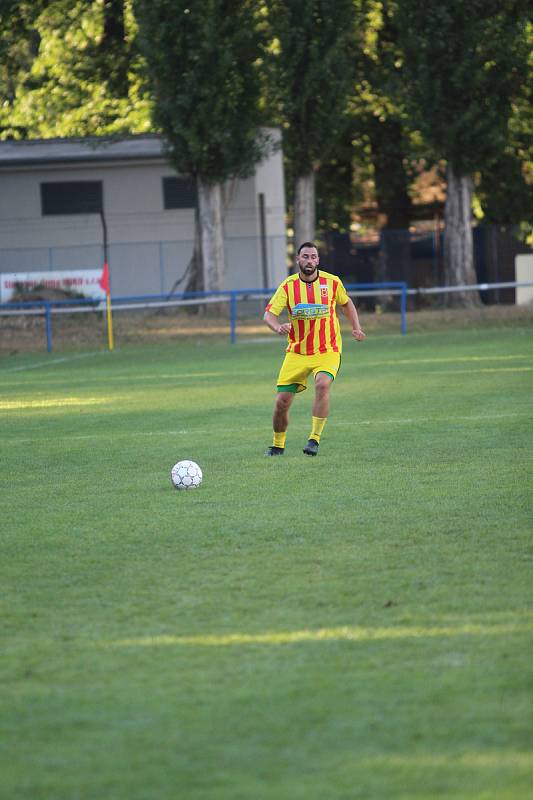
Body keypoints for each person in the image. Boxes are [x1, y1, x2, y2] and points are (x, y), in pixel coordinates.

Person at [263, 241, 365, 456]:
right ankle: (277, 445)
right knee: (282, 402)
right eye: (305, 257)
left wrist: (356, 328)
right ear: (298, 260)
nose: (309, 261)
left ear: (318, 260)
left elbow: (346, 304)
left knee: (322, 384)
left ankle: (314, 440)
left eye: (313, 257)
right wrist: (277, 327)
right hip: (297, 352)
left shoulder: (332, 283)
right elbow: (269, 315)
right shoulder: (288, 286)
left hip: (327, 349)